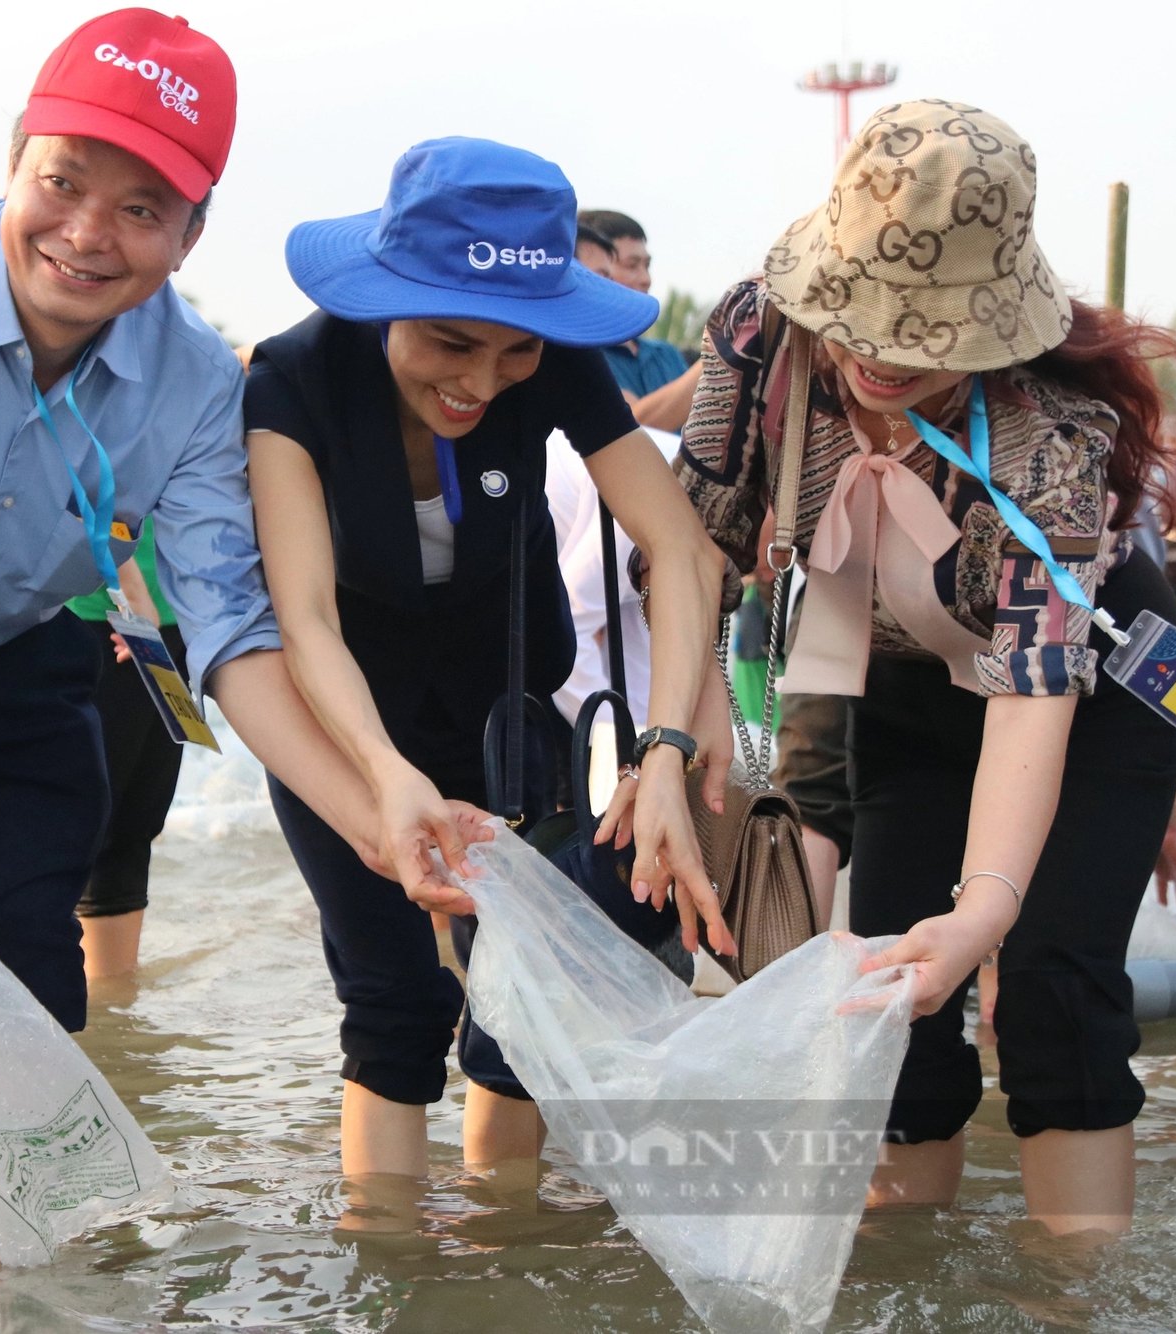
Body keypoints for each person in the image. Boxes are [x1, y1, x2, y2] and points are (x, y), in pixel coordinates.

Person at [0, 9, 485, 1237]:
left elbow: (229, 632)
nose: (85, 235)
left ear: (190, 230)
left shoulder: (195, 385)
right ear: (14, 162)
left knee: (30, 991)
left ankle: (7, 1283)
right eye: (61, 182)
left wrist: (376, 822)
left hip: (14, 661)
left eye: (140, 208)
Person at [656, 99, 1176, 1235]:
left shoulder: (1051, 435)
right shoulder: (760, 335)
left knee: (1048, 987)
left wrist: (983, 912)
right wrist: (667, 752)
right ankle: (910, 1278)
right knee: (887, 998)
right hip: (902, 685)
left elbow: (1032, 703)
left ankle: (1071, 1293)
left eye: (923, 331)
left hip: (1079, 704)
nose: (878, 353)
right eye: (862, 315)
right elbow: (691, 553)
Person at [244, 137, 732, 1191]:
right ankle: (393, 1259)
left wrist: (665, 749)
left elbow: (681, 547)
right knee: (392, 999)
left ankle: (496, 1241)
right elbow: (304, 619)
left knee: (524, 994)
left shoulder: (551, 357)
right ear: (382, 301)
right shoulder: (293, 379)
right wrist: (381, 774)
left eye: (513, 354)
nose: (478, 382)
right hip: (342, 717)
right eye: (449, 342)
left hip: (505, 709)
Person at [70, 530, 183, 978]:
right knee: (90, 823)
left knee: (137, 819)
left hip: (182, 606)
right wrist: (129, 585)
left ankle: (111, 1004)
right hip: (104, 606)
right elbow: (77, 467)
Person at [577, 208, 700, 431]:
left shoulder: (667, 355)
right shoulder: (576, 355)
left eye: (647, 265)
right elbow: (634, 426)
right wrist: (717, 358)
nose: (646, 279)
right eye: (632, 265)